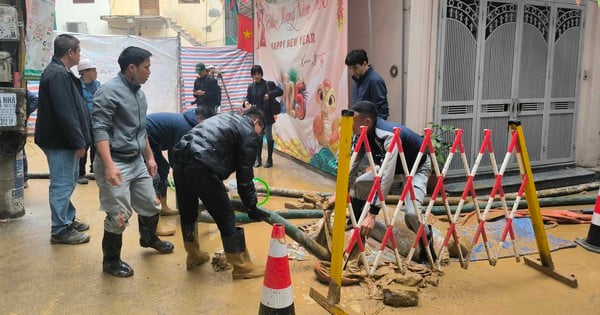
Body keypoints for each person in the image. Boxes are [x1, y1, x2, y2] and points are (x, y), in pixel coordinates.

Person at [92, 46, 174, 278]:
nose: (149, 72)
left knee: (151, 203)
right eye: (146, 67)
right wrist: (108, 165)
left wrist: (149, 156)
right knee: (119, 214)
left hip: (136, 160)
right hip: (115, 161)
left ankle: (148, 238)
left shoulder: (138, 92)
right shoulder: (108, 92)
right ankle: (111, 261)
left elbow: (141, 129)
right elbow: (100, 130)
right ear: (131, 68)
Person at [172, 107, 268, 278]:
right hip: (201, 165)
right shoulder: (249, 131)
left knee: (188, 211)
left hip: (179, 159)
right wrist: (251, 206)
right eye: (261, 130)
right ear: (256, 122)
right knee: (225, 215)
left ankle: (193, 256)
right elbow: (245, 175)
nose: (260, 135)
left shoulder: (227, 117)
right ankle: (242, 267)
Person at [347, 101, 433, 260]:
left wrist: (373, 214)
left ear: (367, 122)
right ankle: (357, 218)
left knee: (412, 215)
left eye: (354, 120)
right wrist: (342, 190)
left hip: (416, 168)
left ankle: (427, 240)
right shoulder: (362, 133)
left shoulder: (388, 135)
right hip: (395, 166)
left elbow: (386, 176)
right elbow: (353, 163)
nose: (350, 124)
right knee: (360, 184)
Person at [34, 34, 91, 244]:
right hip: (60, 141)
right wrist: (78, 142)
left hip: (62, 140)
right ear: (70, 52)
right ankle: (60, 230)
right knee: (62, 183)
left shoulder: (61, 72)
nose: (80, 55)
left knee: (67, 180)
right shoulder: (58, 75)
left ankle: (67, 218)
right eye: (78, 51)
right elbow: (65, 112)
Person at [146, 107, 216, 235]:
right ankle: (153, 225)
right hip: (144, 137)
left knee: (163, 168)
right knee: (155, 176)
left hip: (153, 139)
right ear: (199, 118)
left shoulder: (187, 120)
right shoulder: (185, 127)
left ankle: (163, 207)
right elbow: (177, 154)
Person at [243, 65, 283, 168]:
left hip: (267, 115)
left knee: (269, 136)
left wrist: (269, 94)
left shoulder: (268, 84)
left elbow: (280, 91)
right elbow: (248, 98)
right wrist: (246, 101)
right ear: (252, 75)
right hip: (256, 116)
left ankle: (269, 159)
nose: (257, 76)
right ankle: (258, 159)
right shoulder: (251, 87)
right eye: (255, 74)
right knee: (258, 138)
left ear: (261, 74)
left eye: (258, 74)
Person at [345, 49, 390, 120]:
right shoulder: (357, 79)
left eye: (355, 68)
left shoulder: (375, 81)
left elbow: (382, 110)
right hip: (360, 124)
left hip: (370, 126)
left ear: (364, 63)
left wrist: (376, 127)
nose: (353, 71)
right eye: (351, 68)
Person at [76, 58, 101, 184]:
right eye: (93, 70)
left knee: (97, 146)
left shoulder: (97, 85)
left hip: (96, 120)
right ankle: (80, 173)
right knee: (84, 146)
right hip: (83, 121)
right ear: (85, 72)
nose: (96, 72)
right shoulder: (77, 86)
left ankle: (94, 170)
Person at [23, 89, 39, 189]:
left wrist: (25, 112)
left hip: (17, 124)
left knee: (20, 152)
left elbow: (36, 99)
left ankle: (24, 178)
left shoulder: (19, 89)